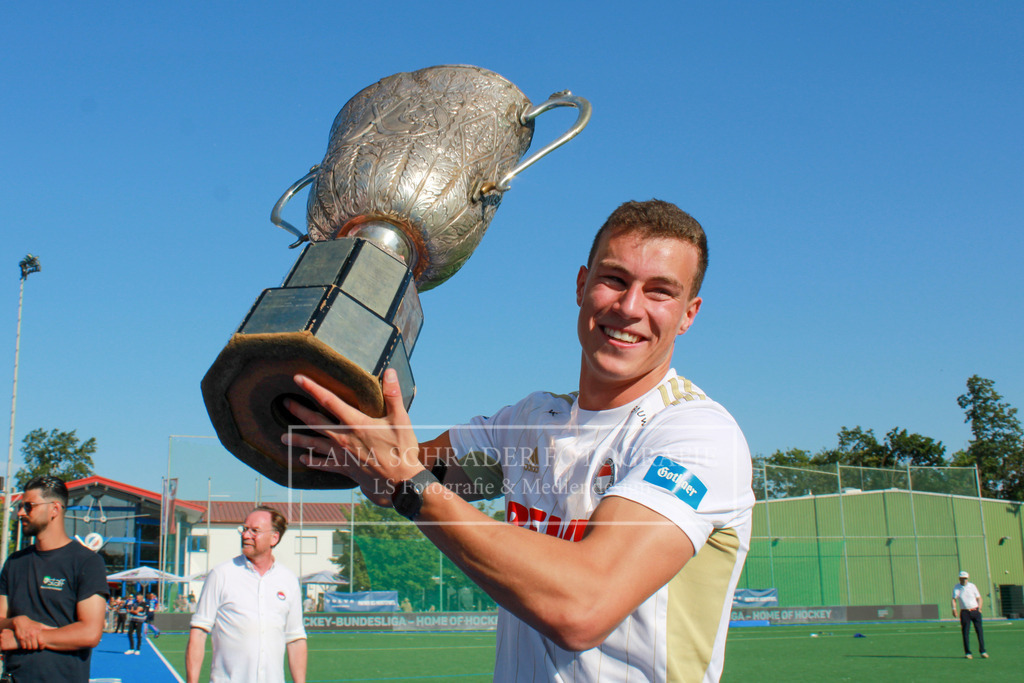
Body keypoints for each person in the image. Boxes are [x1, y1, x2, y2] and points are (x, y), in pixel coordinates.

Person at [284, 199, 755, 682]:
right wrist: (330, 358)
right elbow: (394, 476)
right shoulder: (529, 421)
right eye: (614, 279)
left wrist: (407, 483)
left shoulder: (698, 435)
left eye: (660, 292)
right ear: (581, 285)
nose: (629, 307)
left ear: (688, 315)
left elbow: (583, 608)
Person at [0, 475, 108, 682]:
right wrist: (17, 621)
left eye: (29, 506)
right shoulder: (14, 562)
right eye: (21, 506)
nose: (21, 512)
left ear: (54, 510)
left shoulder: (86, 562)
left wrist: (22, 639)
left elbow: (90, 632)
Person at [186, 506, 307, 683]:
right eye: (244, 529)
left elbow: (295, 639)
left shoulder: (288, 580)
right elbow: (199, 632)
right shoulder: (221, 574)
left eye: (254, 531)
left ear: (274, 538)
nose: (245, 535)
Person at [952, 570, 988, 659]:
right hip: (965, 612)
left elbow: (979, 598)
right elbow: (954, 599)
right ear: (959, 578)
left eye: (965, 578)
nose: (964, 580)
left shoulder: (972, 586)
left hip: (975, 611)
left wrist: (979, 608)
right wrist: (954, 609)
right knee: (965, 632)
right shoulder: (957, 588)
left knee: (979, 631)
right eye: (962, 578)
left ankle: (983, 651)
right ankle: (968, 652)